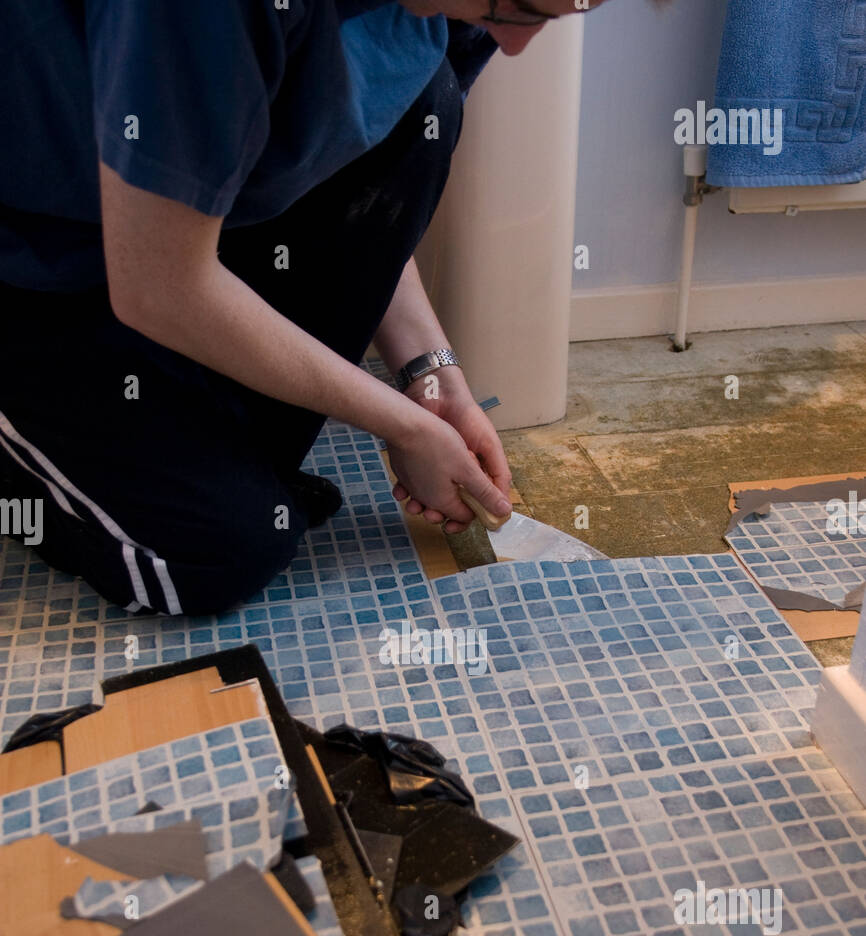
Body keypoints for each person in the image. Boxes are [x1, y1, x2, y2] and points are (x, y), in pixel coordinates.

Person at [0, 1, 602, 616]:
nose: (518, 43)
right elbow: (158, 285)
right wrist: (402, 424)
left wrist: (431, 380)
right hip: (44, 265)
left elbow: (364, 180)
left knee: (427, 102)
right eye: (522, 8)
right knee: (219, 553)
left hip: (191, 232)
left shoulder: (465, 8)